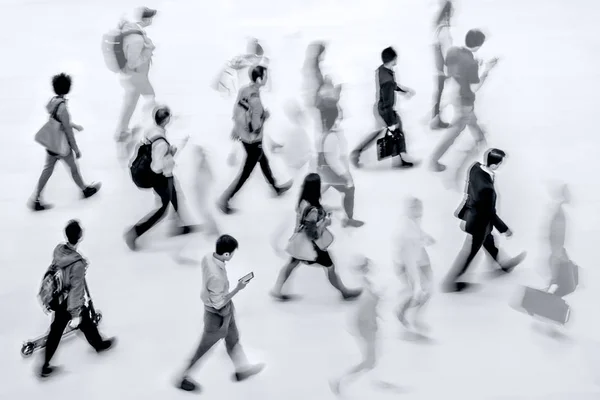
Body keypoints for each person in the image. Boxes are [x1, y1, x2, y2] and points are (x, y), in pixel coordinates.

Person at [177, 235, 265, 392]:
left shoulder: (208, 258)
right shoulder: (216, 277)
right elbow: (218, 303)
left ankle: (242, 370)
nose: (231, 256)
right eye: (231, 254)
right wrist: (238, 288)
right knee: (203, 348)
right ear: (226, 254)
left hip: (224, 311)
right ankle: (182, 376)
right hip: (217, 316)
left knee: (233, 339)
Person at [442, 149, 526, 292]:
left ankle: (503, 265)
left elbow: (468, 191)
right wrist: (505, 229)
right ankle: (451, 282)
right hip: (479, 223)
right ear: (495, 165)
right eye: (500, 163)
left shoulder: (475, 168)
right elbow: (491, 214)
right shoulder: (487, 190)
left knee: (490, 243)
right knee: (470, 253)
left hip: (476, 217)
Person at [39, 220, 115, 378]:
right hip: (67, 302)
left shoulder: (59, 250)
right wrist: (74, 314)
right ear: (79, 237)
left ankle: (45, 364)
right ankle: (99, 345)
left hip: (56, 297)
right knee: (73, 322)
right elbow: (76, 291)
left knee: (79, 322)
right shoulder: (77, 264)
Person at [270, 173, 362, 301]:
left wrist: (324, 211)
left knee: (292, 263)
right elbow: (313, 233)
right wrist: (325, 222)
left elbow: (305, 217)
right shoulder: (313, 210)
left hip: (299, 242)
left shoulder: (302, 202)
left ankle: (277, 290)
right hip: (313, 246)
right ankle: (344, 292)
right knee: (330, 266)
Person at [218, 66, 291, 214]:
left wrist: (236, 129)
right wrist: (265, 116)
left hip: (244, 137)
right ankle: (225, 199)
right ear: (259, 79)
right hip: (253, 140)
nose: (267, 79)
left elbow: (237, 110)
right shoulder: (256, 100)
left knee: (263, 161)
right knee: (246, 172)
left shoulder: (244, 90)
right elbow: (256, 125)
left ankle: (275, 188)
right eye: (265, 76)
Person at [124, 106, 194, 250]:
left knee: (173, 190)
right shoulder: (162, 143)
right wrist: (170, 154)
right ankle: (135, 232)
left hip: (146, 168)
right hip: (156, 175)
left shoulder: (152, 130)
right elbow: (156, 167)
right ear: (166, 119)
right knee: (163, 208)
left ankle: (178, 223)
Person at [429, 29, 498, 173]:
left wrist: (473, 67)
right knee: (456, 129)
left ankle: (480, 139)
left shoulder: (453, 51)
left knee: (471, 118)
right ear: (478, 45)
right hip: (464, 99)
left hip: (454, 93)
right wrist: (486, 70)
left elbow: (452, 69)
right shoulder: (471, 63)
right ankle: (434, 159)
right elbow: (474, 88)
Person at [29, 73, 101, 211]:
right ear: (67, 88)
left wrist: (73, 125)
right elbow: (68, 132)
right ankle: (85, 190)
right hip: (62, 147)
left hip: (51, 144)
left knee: (47, 170)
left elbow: (59, 120)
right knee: (73, 169)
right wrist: (76, 149)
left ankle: (36, 199)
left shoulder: (53, 102)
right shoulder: (64, 109)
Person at [350, 47, 416, 169]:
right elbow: (387, 98)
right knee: (394, 131)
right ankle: (357, 153)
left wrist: (404, 90)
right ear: (394, 59)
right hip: (384, 110)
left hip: (379, 108)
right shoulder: (388, 80)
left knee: (395, 129)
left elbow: (392, 85)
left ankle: (398, 158)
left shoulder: (383, 70)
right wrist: (389, 120)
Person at [315, 78, 364, 228]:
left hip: (323, 170)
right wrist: (345, 174)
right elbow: (332, 160)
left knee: (322, 189)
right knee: (350, 188)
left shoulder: (325, 133)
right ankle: (348, 219)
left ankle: (315, 209)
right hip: (330, 171)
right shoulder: (332, 136)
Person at [114, 7, 158, 148]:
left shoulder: (135, 31)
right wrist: (149, 50)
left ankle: (121, 132)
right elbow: (133, 62)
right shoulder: (137, 39)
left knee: (130, 105)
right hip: (134, 76)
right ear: (146, 19)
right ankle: (152, 127)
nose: (152, 20)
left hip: (132, 76)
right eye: (151, 17)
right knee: (149, 98)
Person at [394, 197, 434, 334]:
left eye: (420, 207)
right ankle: (407, 315)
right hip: (408, 264)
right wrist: (416, 277)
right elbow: (408, 258)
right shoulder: (405, 230)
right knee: (419, 292)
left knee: (424, 291)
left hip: (416, 260)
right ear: (410, 209)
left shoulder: (411, 221)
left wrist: (426, 237)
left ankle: (407, 314)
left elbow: (418, 233)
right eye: (417, 208)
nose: (421, 211)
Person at [430, 0, 454, 130]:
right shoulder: (444, 30)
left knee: (438, 94)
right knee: (441, 95)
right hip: (443, 69)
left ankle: (435, 118)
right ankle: (436, 120)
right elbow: (448, 52)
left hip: (437, 69)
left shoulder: (437, 29)